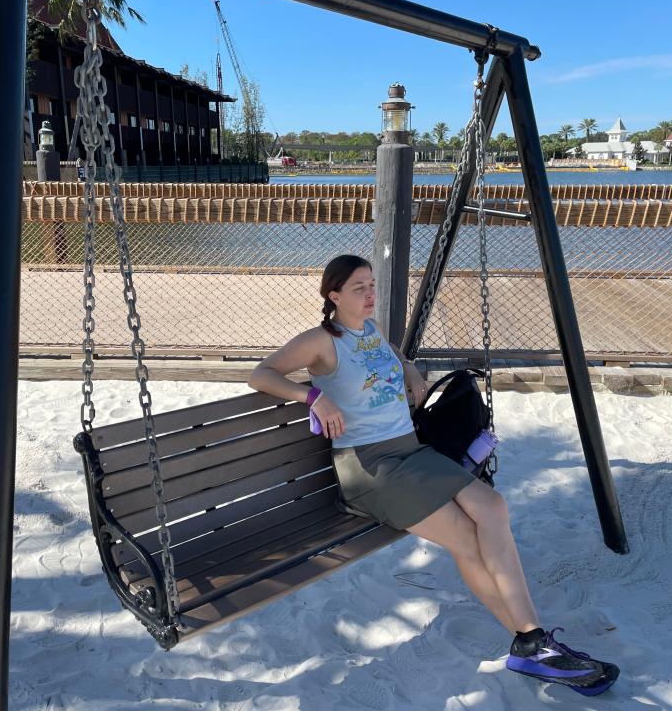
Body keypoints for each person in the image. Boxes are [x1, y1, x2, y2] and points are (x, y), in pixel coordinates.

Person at [248, 254, 619, 697]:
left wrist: (405, 366)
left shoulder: (370, 330)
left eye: (371, 284)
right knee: (466, 536)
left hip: (411, 451)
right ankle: (531, 643)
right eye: (357, 288)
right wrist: (310, 396)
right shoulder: (321, 341)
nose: (369, 294)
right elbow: (260, 374)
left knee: (493, 507)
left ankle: (532, 642)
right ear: (333, 295)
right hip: (371, 467)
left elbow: (391, 353)